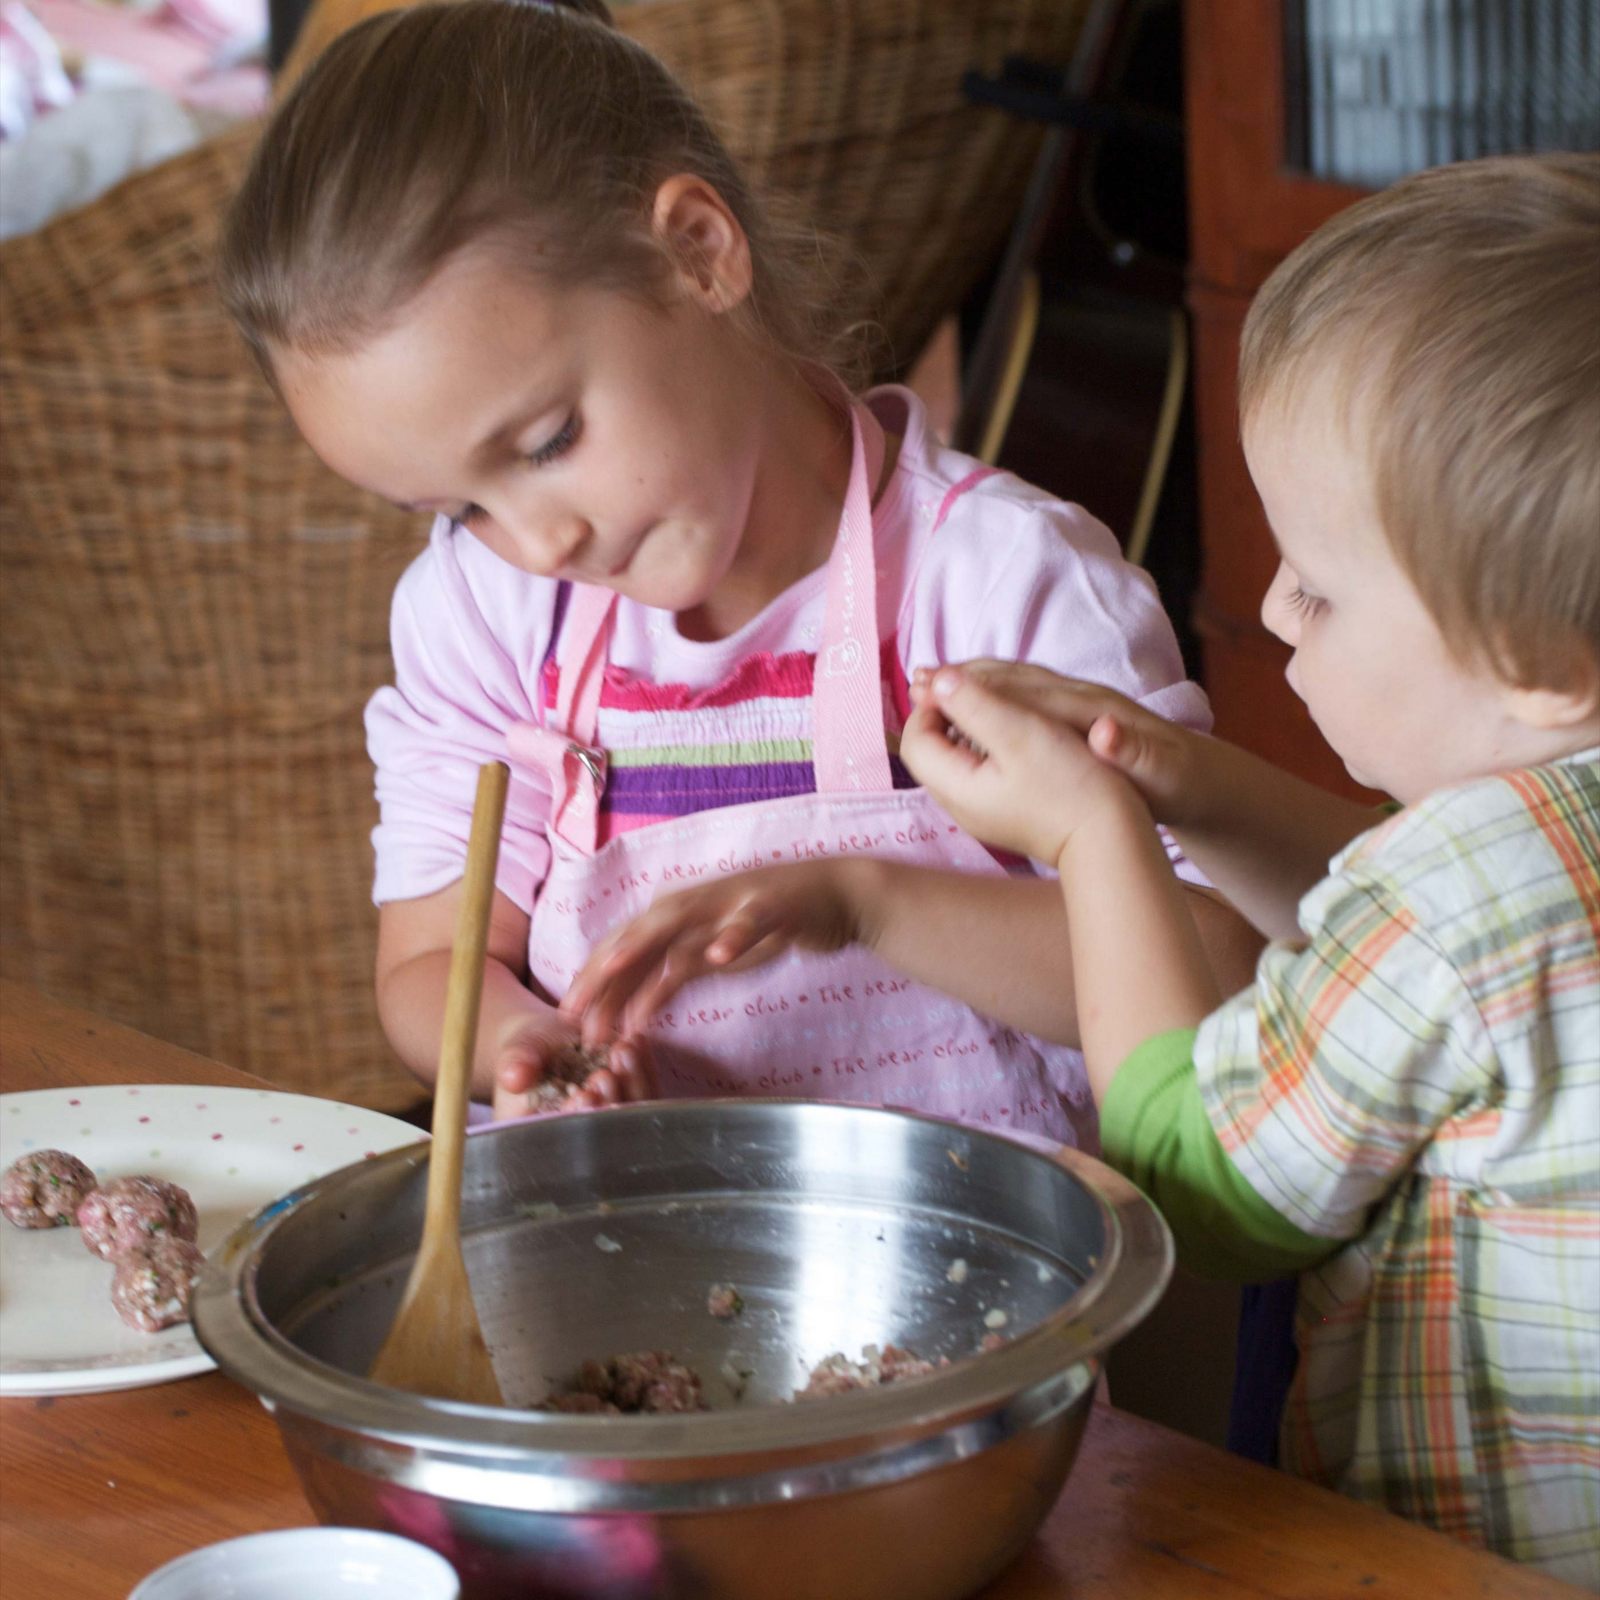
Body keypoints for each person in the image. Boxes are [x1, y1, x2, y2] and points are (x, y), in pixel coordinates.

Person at [568, 153, 1600, 1582]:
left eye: (1321, 582)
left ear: (1546, 665)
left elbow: (1209, 1183)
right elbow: (1420, 917)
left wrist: (1092, 838)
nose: (1273, 612)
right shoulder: (1518, 858)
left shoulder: (1440, 901)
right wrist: (1181, 780)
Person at [215, 0, 1259, 1140]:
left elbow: (1212, 978)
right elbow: (430, 963)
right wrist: (519, 1042)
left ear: (696, 255)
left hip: (986, 1276)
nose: (539, 541)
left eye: (549, 442)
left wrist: (870, 907)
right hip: (627, 1262)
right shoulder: (486, 609)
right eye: (461, 506)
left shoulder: (998, 582)